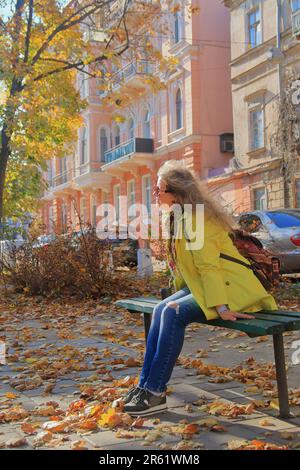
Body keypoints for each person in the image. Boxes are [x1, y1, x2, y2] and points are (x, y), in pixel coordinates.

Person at [112, 160, 278, 417]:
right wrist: (174, 292)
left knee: (172, 313)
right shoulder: (179, 217)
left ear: (176, 192)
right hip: (206, 286)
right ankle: (144, 386)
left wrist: (221, 307)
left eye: (159, 190)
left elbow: (209, 267)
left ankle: (155, 393)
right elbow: (187, 268)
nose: (154, 195)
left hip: (232, 289)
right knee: (160, 309)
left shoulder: (198, 219)